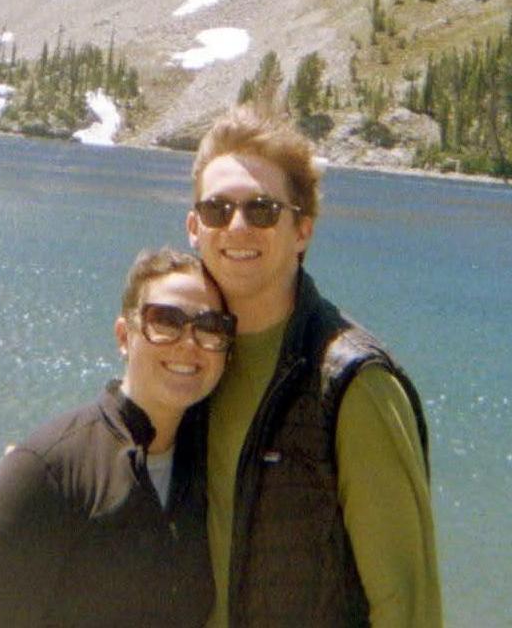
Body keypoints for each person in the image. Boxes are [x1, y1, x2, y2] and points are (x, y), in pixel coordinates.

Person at [186, 105, 443, 627]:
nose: (237, 226)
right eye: (217, 210)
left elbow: (407, 605)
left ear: (302, 230)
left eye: (262, 210)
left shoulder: (354, 383)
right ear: (195, 227)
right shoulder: (188, 362)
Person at [0, 246, 236, 626]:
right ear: (124, 336)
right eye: (165, 321)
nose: (189, 342)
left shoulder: (210, 470)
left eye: (210, 327)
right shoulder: (46, 471)